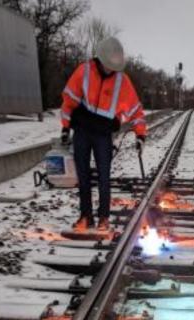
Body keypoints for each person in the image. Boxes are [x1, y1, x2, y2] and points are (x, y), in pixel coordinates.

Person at [60, 37, 147, 231]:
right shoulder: (84, 72)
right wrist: (65, 127)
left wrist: (140, 135)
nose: (110, 70)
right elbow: (69, 101)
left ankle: (103, 218)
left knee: (104, 178)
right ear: (100, 59)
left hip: (103, 135)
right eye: (108, 65)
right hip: (82, 131)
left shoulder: (122, 81)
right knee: (83, 177)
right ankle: (85, 216)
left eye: (114, 67)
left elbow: (135, 111)